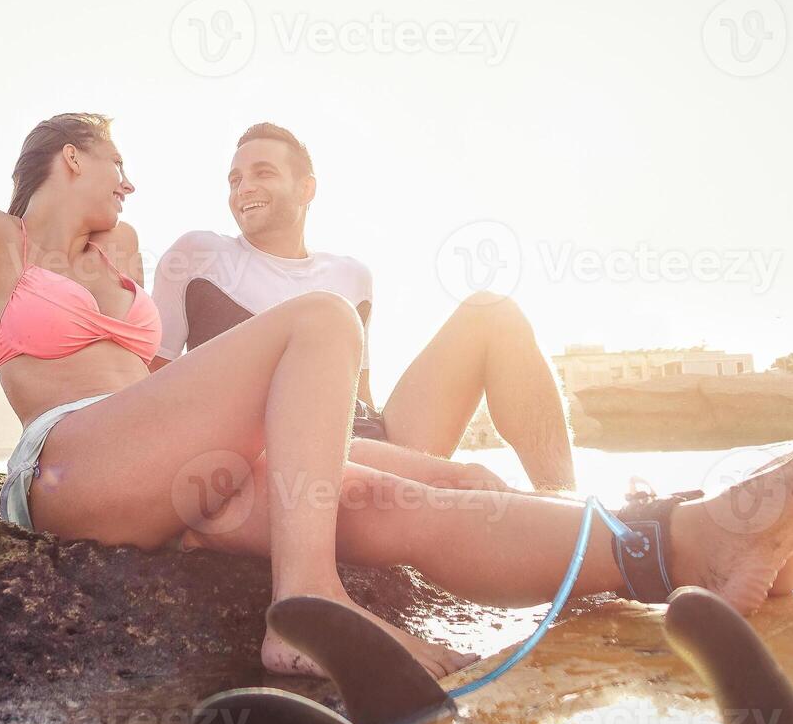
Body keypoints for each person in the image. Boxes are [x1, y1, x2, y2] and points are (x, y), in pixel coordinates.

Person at [0, 112, 793, 680]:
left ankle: (689, 544)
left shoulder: (127, 253)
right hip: (65, 460)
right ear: (71, 153)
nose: (131, 185)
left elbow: (161, 376)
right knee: (321, 324)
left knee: (433, 486)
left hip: (171, 466)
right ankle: (305, 602)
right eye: (118, 163)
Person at [150, 122, 575, 492]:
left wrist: (401, 457)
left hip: (365, 440)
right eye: (235, 179)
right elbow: (149, 389)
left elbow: (361, 397)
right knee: (472, 481)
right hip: (282, 448)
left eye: (263, 173)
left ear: (306, 188)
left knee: (493, 312)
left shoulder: (352, 276)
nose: (244, 188)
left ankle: (566, 501)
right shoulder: (199, 255)